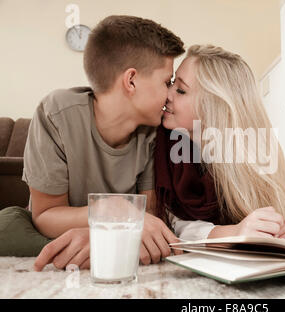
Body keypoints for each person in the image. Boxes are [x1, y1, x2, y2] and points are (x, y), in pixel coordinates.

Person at [0, 15, 186, 270]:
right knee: (9, 226)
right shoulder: (56, 113)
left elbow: (149, 214)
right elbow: (44, 217)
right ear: (131, 80)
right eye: (167, 82)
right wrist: (116, 209)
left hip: (117, 232)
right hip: (59, 229)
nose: (170, 94)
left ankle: (97, 248)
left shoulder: (154, 132)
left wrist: (110, 230)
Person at [154, 45, 285, 242]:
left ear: (213, 106)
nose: (167, 95)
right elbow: (173, 225)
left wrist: (274, 228)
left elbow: (265, 218)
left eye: (180, 90)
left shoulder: (252, 161)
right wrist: (233, 233)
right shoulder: (159, 143)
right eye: (172, 84)